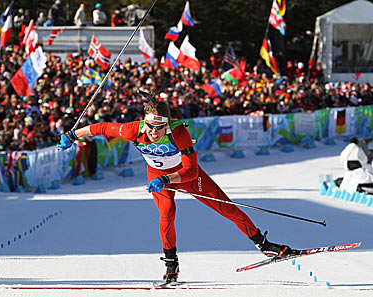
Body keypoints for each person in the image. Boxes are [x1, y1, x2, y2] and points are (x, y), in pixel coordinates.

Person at [57, 91, 295, 284]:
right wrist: (72, 134)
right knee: (167, 213)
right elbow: (101, 128)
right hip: (157, 176)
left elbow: (191, 170)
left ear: (166, 125)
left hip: (184, 176)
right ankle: (172, 265)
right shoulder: (134, 130)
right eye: (150, 126)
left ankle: (264, 246)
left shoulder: (178, 133)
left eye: (158, 128)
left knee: (227, 209)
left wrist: (167, 180)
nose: (153, 132)